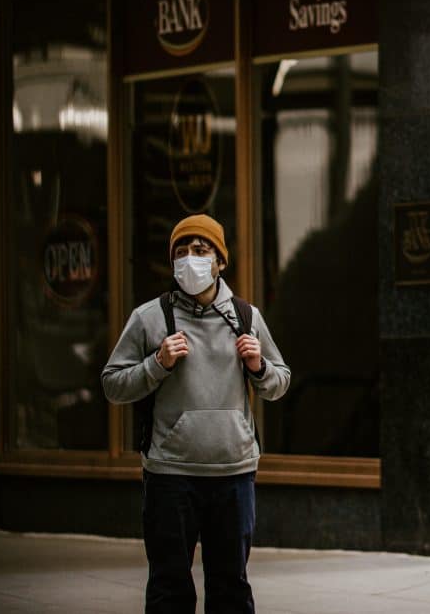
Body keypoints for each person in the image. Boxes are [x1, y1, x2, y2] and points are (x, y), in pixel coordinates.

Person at [102, 214, 291, 613]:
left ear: (220, 261)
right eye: (181, 252)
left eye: (201, 251)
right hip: (171, 475)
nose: (191, 260)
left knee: (231, 589)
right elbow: (113, 384)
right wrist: (158, 363)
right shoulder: (149, 318)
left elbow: (280, 382)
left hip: (233, 473)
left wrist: (259, 367)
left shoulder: (246, 317)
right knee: (170, 587)